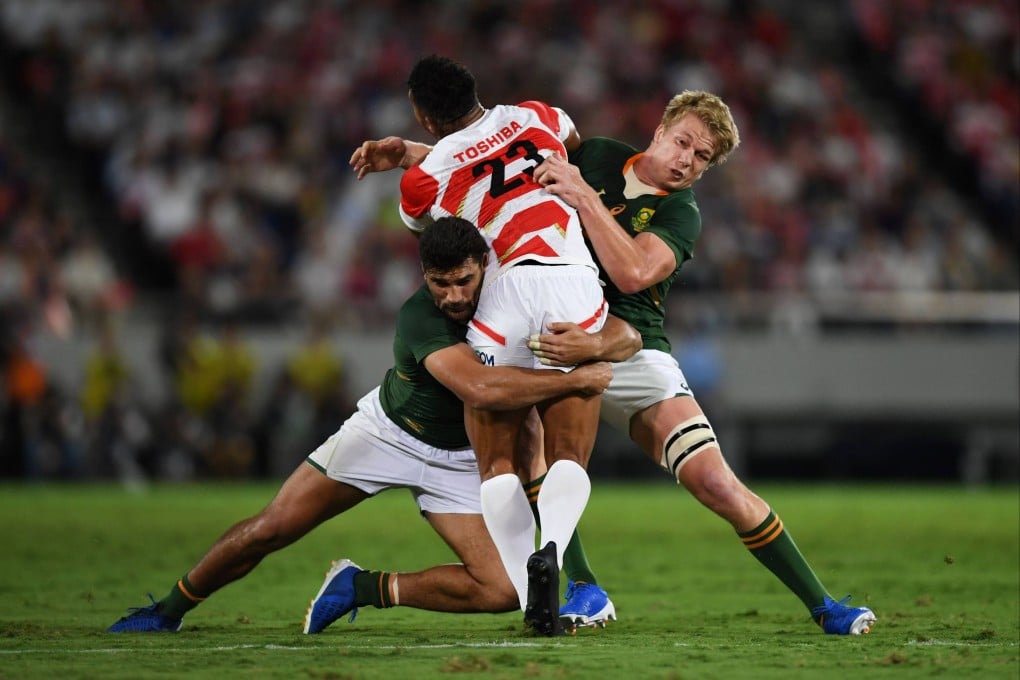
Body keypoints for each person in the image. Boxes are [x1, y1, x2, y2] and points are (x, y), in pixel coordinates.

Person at [352, 91, 877, 635]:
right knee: (531, 445)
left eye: (701, 157)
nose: (685, 160)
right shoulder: (598, 154)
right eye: (683, 142)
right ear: (661, 130)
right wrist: (415, 154)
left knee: (714, 481)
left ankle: (823, 604)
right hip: (552, 334)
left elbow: (632, 275)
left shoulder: (680, 213)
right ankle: (581, 585)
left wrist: (584, 196)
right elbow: (504, 160)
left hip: (625, 345)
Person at [107, 216, 639, 634]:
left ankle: (361, 587)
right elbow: (480, 388)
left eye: (463, 281)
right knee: (273, 527)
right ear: (423, 276)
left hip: (462, 462)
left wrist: (595, 344)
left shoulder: (519, 295)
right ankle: (167, 610)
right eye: (440, 283)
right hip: (388, 435)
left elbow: (627, 335)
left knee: (506, 590)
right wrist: (579, 377)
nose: (454, 296)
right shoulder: (420, 316)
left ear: (485, 264)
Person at [396, 55, 609, 636]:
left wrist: (418, 155)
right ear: (475, 89)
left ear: (422, 115)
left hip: (504, 290)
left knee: (496, 460)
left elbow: (438, 234)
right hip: (569, 279)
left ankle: (523, 581)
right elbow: (572, 141)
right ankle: (554, 549)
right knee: (569, 453)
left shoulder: (422, 177)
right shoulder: (538, 115)